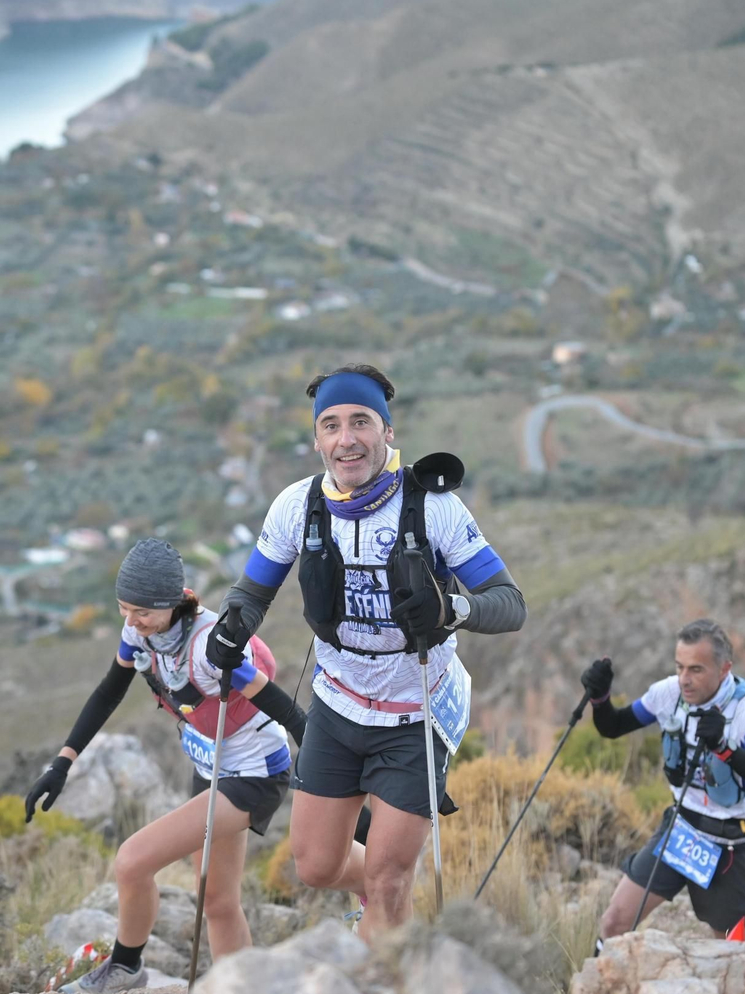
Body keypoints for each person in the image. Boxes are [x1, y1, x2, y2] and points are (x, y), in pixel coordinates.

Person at [205, 364, 526, 938]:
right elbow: (252, 593)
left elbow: (509, 602)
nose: (346, 438)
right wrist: (232, 626)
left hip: (416, 713)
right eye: (330, 425)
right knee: (316, 865)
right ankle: (378, 902)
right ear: (317, 439)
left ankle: (383, 956)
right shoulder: (296, 507)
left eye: (360, 422)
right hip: (338, 704)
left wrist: (455, 611)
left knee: (389, 880)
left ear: (388, 432)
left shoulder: (435, 509)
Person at [24, 539, 308, 992]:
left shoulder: (211, 645)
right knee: (215, 900)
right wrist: (62, 763)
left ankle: (125, 968)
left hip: (253, 773)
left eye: (141, 612)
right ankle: (244, 986)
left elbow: (279, 703)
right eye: (123, 609)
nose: (130, 621)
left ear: (172, 603)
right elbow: (107, 692)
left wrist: (312, 745)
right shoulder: (142, 633)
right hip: (210, 764)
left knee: (132, 862)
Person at [583, 618, 745, 941]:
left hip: (731, 841)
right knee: (614, 923)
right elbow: (613, 727)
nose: (684, 680)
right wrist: (600, 698)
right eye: (680, 667)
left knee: (729, 946)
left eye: (696, 670)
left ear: (724, 669)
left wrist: (723, 748)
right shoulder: (668, 693)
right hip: (681, 828)